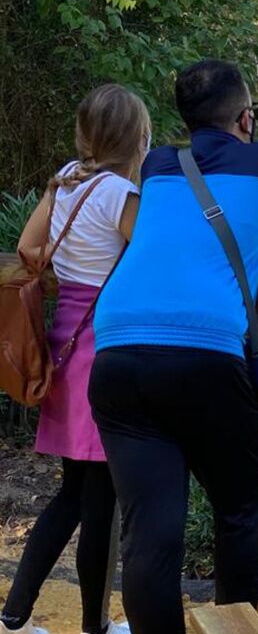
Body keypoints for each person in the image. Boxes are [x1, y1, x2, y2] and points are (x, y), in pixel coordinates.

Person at [88, 60, 258, 634]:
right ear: (246, 117)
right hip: (206, 352)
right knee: (238, 513)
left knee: (151, 533)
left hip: (116, 345)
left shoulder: (163, 163)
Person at [2, 84, 149, 634]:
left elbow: (27, 248)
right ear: (139, 138)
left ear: (84, 136)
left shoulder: (66, 179)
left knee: (73, 493)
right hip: (102, 348)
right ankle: (93, 626)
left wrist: (68, 264)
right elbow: (148, 258)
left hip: (64, 343)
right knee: (97, 502)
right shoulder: (120, 196)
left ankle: (16, 614)